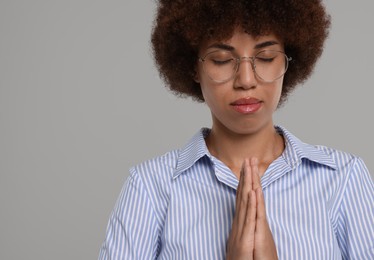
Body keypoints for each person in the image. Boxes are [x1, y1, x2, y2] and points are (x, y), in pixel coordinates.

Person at [99, 0, 374, 259]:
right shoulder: (150, 188)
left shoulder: (343, 180)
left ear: (288, 61)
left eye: (266, 57)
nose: (246, 80)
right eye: (221, 59)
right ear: (193, 67)